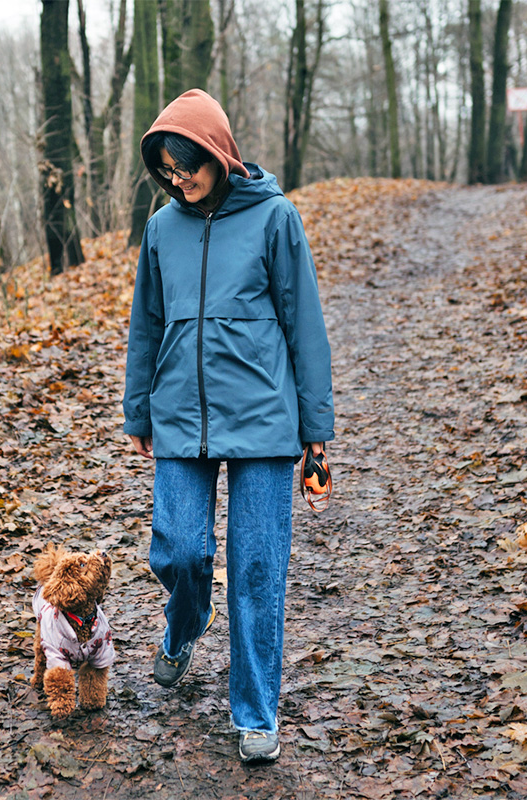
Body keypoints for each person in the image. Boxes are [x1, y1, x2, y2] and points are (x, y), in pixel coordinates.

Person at [122, 89, 334, 764]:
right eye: (166, 171)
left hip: (266, 420)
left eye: (187, 167)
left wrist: (316, 427)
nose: (178, 181)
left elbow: (306, 325)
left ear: (217, 152)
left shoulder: (275, 218)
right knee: (181, 550)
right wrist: (139, 409)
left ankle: (256, 714)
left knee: (257, 569)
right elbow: (146, 325)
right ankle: (185, 623)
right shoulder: (161, 230)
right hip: (181, 413)